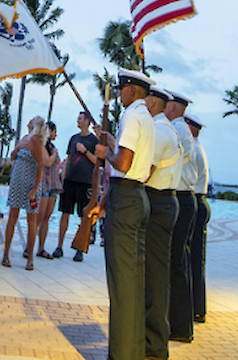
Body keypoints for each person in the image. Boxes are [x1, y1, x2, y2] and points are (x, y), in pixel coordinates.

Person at [93, 69, 155, 360]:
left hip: (127, 199)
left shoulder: (131, 115)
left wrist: (105, 151)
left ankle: (120, 353)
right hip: (137, 196)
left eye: (121, 89)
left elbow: (124, 163)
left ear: (132, 90)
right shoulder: (147, 118)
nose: (119, 94)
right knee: (133, 281)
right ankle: (133, 349)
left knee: (120, 282)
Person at [143, 86, 182, 359]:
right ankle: (154, 338)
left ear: (153, 101)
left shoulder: (158, 131)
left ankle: (154, 343)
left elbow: (144, 171)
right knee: (156, 273)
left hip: (157, 201)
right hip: (164, 201)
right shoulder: (168, 129)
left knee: (155, 276)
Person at [164, 89, 197, 343]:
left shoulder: (177, 130)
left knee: (176, 266)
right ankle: (180, 324)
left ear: (173, 108)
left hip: (182, 198)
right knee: (179, 264)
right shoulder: (183, 130)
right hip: (187, 199)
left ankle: (179, 325)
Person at [2, 116, 47, 271]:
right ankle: (6, 254)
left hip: (29, 183)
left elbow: (41, 164)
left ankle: (30, 257)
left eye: (32, 119)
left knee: (31, 219)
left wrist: (36, 187)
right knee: (13, 216)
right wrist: (19, 146)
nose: (29, 120)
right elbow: (13, 156)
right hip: (17, 180)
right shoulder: (25, 138)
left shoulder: (35, 140)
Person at [53, 112, 98, 262]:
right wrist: (63, 179)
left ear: (87, 121)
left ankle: (79, 249)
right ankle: (59, 246)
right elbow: (68, 159)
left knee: (82, 216)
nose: (77, 121)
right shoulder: (73, 138)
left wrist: (85, 151)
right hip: (70, 180)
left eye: (80, 118)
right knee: (64, 213)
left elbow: (98, 162)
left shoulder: (93, 140)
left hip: (85, 182)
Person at [186, 113, 211, 326]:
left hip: (195, 201)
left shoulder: (192, 150)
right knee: (196, 259)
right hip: (200, 202)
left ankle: (196, 308)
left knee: (193, 259)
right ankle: (197, 308)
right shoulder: (197, 147)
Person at [36, 121, 60, 260]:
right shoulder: (42, 146)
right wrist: (55, 153)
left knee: (46, 218)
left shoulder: (52, 147)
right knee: (39, 217)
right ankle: (30, 246)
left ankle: (41, 247)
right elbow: (48, 162)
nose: (55, 134)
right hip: (44, 183)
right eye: (54, 131)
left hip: (53, 184)